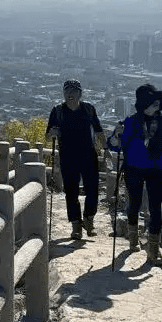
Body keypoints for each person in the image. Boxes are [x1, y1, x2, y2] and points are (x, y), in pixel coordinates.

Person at [107, 83, 162, 265]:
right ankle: (133, 238)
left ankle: (153, 250)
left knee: (156, 208)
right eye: (152, 102)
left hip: (155, 169)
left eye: (157, 102)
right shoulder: (130, 122)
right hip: (133, 168)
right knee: (135, 204)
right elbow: (114, 144)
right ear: (143, 103)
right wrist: (117, 135)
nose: (156, 105)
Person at [46, 79, 106, 240]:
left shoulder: (88, 109)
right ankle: (76, 226)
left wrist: (106, 150)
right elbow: (48, 135)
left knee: (93, 189)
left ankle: (88, 219)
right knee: (71, 193)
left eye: (73, 91)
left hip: (89, 155)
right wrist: (53, 132)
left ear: (80, 93)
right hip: (68, 157)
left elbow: (99, 131)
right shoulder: (57, 111)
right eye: (67, 91)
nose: (69, 94)